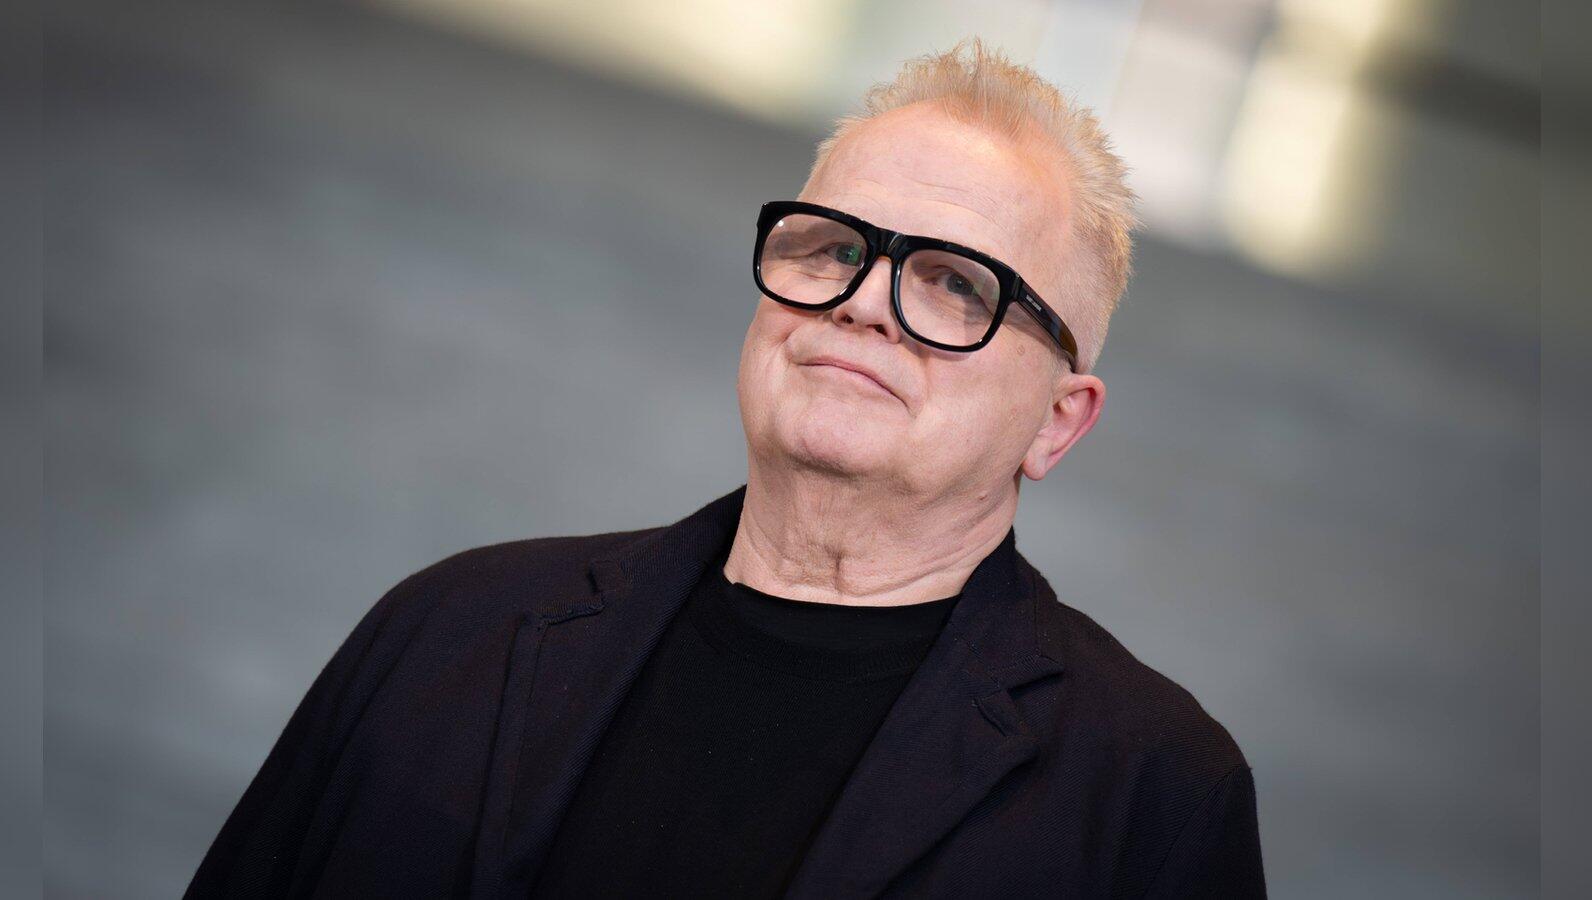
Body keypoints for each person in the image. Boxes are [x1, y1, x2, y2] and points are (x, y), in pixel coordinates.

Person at [187, 38, 1265, 899]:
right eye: (835, 248)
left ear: (1058, 424)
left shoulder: (1153, 793)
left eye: (955, 284)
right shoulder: (448, 631)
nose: (862, 302)